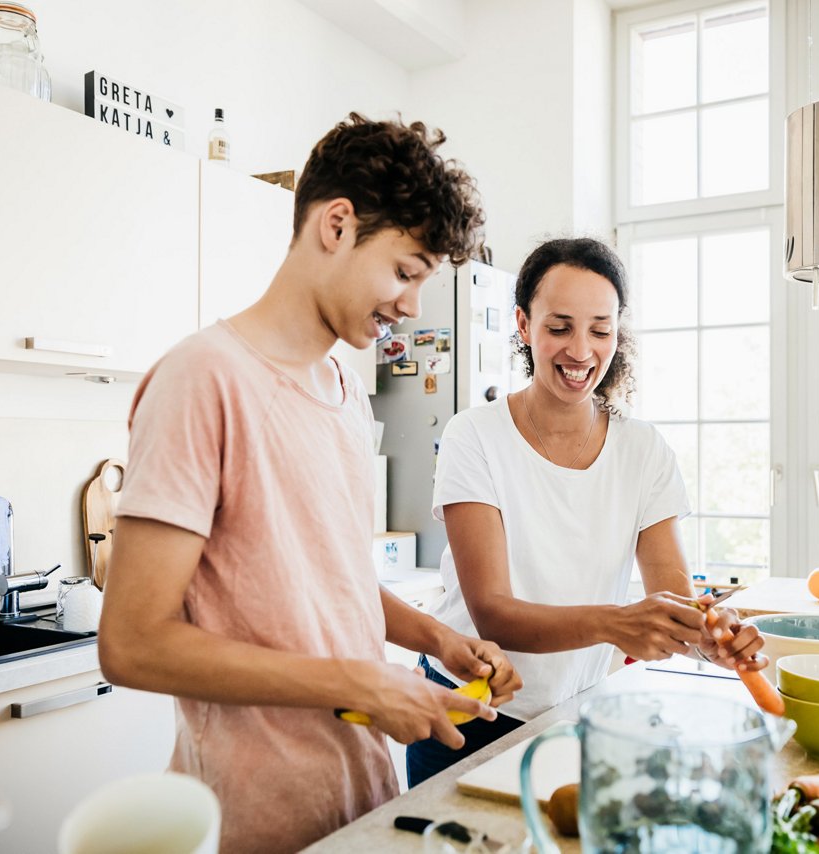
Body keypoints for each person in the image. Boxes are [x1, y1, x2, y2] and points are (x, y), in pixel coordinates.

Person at [97, 113, 523, 854]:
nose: (411, 307)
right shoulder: (203, 379)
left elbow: (331, 585)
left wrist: (438, 639)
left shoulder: (345, 391)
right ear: (336, 225)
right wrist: (360, 684)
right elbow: (132, 644)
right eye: (405, 272)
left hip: (359, 803)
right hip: (251, 818)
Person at [405, 237, 767, 787]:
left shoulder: (642, 450)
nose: (581, 351)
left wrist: (710, 636)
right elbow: (493, 615)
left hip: (572, 718)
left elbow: (672, 599)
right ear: (523, 325)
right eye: (560, 327)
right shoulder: (473, 436)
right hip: (465, 714)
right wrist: (617, 624)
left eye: (600, 330)